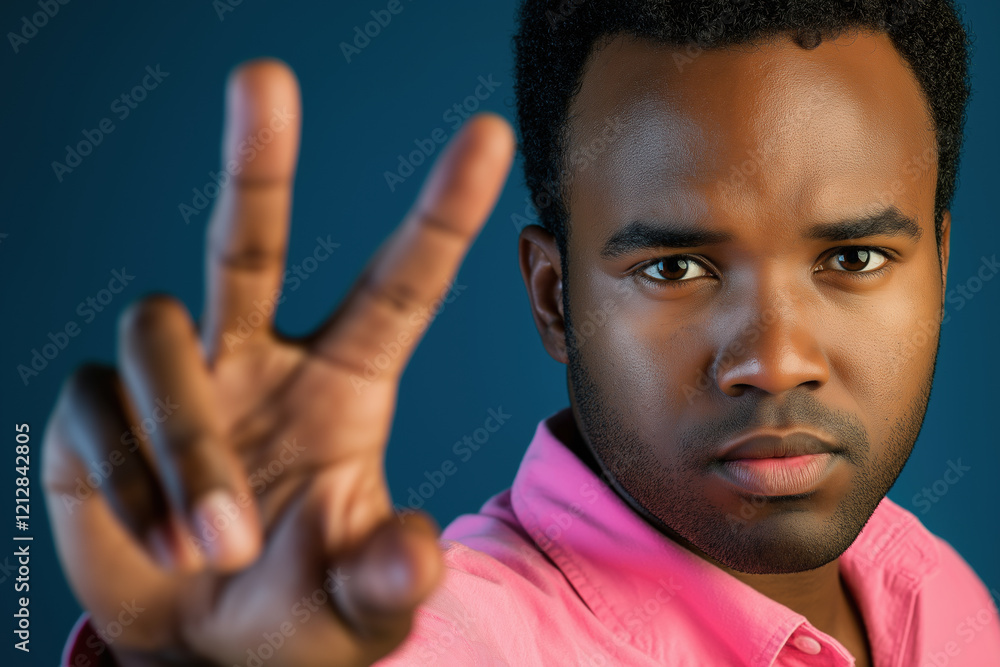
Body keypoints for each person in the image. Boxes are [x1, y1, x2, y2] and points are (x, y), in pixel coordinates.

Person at [47, 1, 999, 665]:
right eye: (673, 268)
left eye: (855, 258)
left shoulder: (943, 596)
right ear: (552, 299)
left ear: (942, 264)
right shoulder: (455, 638)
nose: (777, 360)